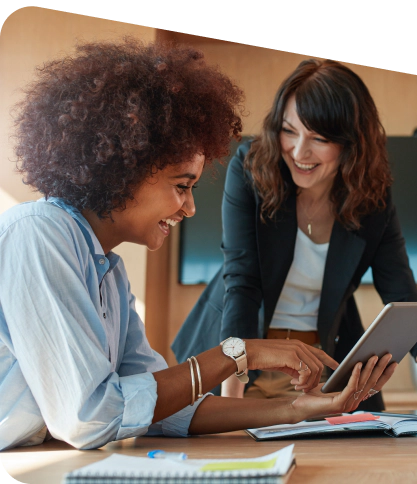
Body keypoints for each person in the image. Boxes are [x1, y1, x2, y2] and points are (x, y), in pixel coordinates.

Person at [0, 38, 396, 452]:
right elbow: (92, 416)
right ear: (124, 170)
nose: (189, 207)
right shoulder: (38, 235)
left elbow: (163, 409)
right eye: (181, 186)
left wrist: (295, 409)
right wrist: (237, 352)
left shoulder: (109, 272)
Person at [172, 58, 417, 413]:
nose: (299, 152)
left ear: (351, 143)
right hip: (240, 361)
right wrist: (231, 404)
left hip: (320, 368)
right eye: (289, 130)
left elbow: (406, 304)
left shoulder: (372, 200)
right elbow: (242, 284)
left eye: (319, 138)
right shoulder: (251, 170)